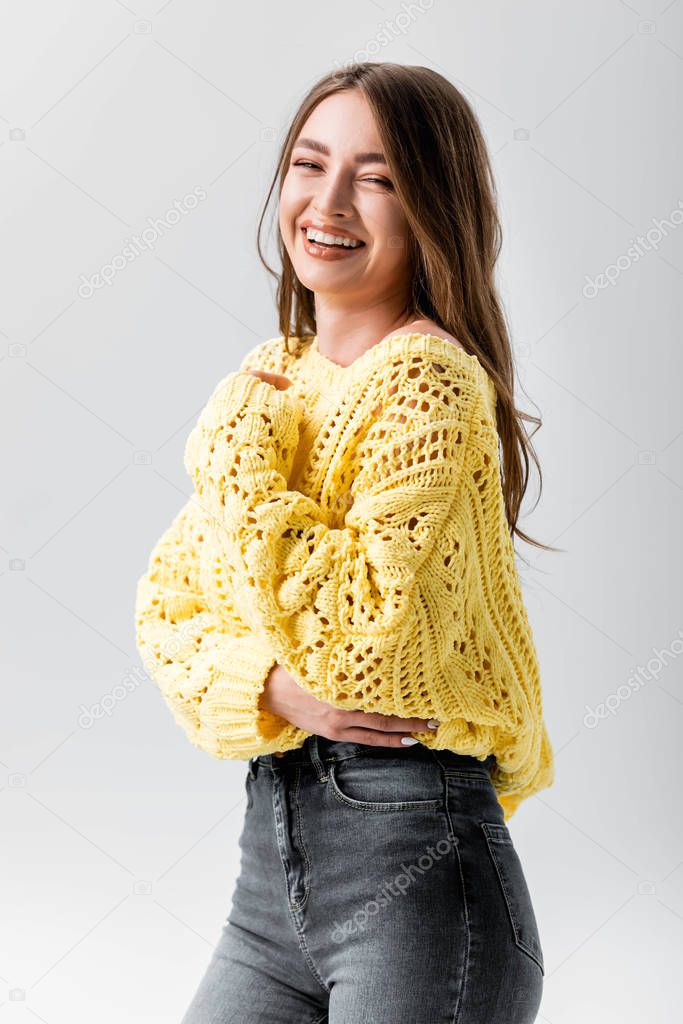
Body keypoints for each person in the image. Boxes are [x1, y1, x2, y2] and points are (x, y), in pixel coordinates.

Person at [135, 61, 556, 1024]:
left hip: (417, 879)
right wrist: (272, 691)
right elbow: (167, 614)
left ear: (431, 207)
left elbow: (359, 644)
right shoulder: (275, 381)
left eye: (375, 178)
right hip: (267, 886)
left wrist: (241, 458)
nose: (327, 203)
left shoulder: (425, 383)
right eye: (307, 163)